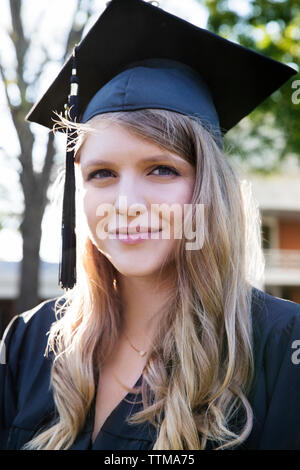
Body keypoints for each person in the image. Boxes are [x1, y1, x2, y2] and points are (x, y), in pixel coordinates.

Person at [1, 0, 300, 451]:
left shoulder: (281, 346)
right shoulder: (28, 343)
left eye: (161, 169)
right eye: (101, 173)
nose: (126, 204)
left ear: (209, 187)